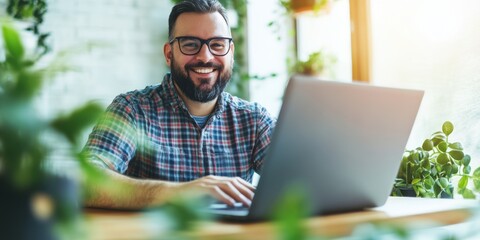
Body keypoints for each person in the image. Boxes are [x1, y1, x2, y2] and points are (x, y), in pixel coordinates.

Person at [82, 0, 275, 209]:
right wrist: (180, 191)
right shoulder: (132, 110)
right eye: (190, 44)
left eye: (217, 45)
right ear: (169, 53)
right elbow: (85, 181)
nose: (205, 57)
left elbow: (300, 182)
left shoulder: (254, 119)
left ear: (231, 52)